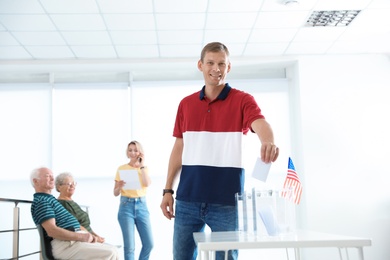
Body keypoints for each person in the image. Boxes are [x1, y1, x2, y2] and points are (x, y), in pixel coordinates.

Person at [160, 42, 280, 260]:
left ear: (229, 67)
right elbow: (179, 147)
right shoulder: (185, 104)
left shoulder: (243, 100)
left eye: (221, 63)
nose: (216, 68)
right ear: (200, 65)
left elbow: (260, 123)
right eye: (211, 63)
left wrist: (268, 141)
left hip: (226, 202)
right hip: (188, 200)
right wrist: (167, 190)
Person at [30, 167, 120, 260]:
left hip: (72, 242)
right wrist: (81, 236)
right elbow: (52, 231)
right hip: (65, 245)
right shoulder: (42, 201)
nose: (53, 179)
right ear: (36, 181)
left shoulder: (50, 199)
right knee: (110, 253)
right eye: (48, 176)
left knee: (114, 250)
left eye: (52, 176)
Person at [114, 140, 154, 260]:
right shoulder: (121, 168)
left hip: (142, 206)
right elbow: (115, 193)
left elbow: (147, 183)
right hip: (126, 206)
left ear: (140, 152)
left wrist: (141, 166)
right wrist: (119, 186)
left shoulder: (144, 169)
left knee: (149, 244)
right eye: (130, 150)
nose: (132, 153)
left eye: (135, 150)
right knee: (130, 247)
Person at [56, 172, 105, 243]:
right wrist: (95, 238)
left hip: (89, 237)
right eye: (69, 184)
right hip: (82, 239)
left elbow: (86, 226)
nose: (72, 186)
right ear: (59, 187)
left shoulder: (71, 202)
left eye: (74, 183)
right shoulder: (62, 204)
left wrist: (97, 236)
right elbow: (75, 225)